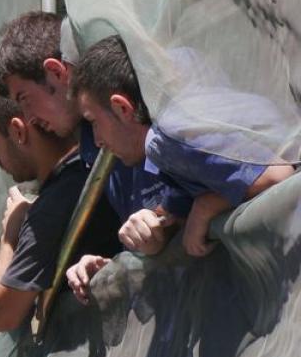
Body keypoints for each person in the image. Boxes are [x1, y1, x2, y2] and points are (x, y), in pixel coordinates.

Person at [66, 35, 298, 302]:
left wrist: (207, 207)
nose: (97, 141)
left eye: (93, 121)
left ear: (122, 107)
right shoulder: (176, 129)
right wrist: (155, 229)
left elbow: (278, 173)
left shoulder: (168, 138)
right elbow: (178, 208)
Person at [0, 82, 122, 332]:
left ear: (18, 132)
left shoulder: (50, 208)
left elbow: (1, 315)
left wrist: (10, 232)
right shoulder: (88, 166)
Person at [0, 11, 165, 224]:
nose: (28, 118)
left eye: (25, 99)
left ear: (56, 72)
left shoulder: (152, 124)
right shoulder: (91, 148)